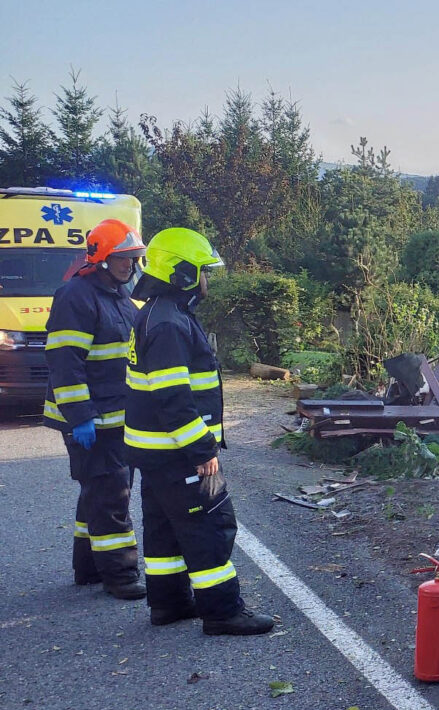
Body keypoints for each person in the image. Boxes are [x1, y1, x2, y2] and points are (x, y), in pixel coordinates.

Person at [125, 227, 273, 635]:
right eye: (202, 271)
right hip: (178, 451)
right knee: (209, 523)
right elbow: (174, 399)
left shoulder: (158, 312)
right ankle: (223, 611)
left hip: (155, 452)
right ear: (182, 274)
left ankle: (169, 604)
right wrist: (202, 448)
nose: (207, 281)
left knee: (164, 528)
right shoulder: (170, 322)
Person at [44, 219, 146, 599]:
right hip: (90, 418)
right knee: (111, 495)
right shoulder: (76, 295)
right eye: (123, 258)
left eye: (134, 258)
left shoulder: (119, 295)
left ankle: (88, 568)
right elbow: (64, 361)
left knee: (98, 491)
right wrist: (81, 416)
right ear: (101, 258)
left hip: (113, 415)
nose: (130, 265)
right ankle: (119, 575)